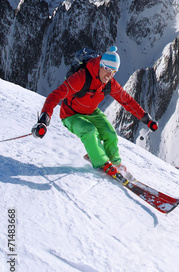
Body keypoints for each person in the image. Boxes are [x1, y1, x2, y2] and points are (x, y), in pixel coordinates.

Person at [31, 46, 158, 176]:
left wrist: (146, 119)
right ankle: (102, 163)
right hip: (71, 114)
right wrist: (44, 119)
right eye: (108, 69)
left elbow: (127, 101)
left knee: (110, 134)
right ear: (100, 65)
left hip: (91, 112)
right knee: (89, 131)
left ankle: (114, 163)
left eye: (113, 71)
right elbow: (55, 96)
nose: (109, 75)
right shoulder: (81, 78)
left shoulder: (109, 83)